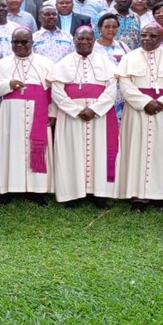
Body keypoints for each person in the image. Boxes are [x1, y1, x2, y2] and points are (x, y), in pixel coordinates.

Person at [115, 24, 163, 211]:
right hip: (137, 111)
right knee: (136, 150)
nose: (147, 39)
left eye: (152, 36)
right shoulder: (129, 58)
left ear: (162, 38)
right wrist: (144, 102)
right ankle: (137, 195)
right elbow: (125, 84)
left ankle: (162, 195)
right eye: (143, 35)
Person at [49, 27, 119, 208]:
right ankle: (73, 194)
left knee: (99, 153)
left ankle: (99, 194)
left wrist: (94, 109)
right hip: (71, 117)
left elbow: (111, 90)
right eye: (81, 39)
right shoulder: (63, 64)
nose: (85, 42)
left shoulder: (106, 63)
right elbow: (57, 92)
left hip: (99, 117)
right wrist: (76, 110)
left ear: (94, 41)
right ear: (74, 40)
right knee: (72, 153)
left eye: (88, 39)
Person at [0, 28, 55, 205]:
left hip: (38, 113)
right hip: (11, 116)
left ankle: (37, 190)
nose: (19, 45)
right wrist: (9, 84)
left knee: (36, 148)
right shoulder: (1, 64)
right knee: (11, 149)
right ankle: (9, 189)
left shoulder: (46, 63)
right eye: (15, 42)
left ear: (32, 43)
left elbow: (54, 91)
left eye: (24, 42)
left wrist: (53, 113)